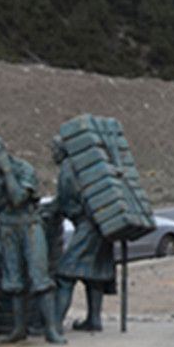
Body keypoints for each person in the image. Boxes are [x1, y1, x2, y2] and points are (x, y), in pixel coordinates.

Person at [0, 133, 65, 344]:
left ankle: (51, 329)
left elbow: (18, 198)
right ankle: (19, 329)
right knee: (13, 280)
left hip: (30, 226)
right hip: (7, 229)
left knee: (39, 277)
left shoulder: (22, 169)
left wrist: (7, 170)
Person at [51, 136, 117, 332]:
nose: (52, 154)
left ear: (62, 149)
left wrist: (53, 209)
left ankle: (55, 324)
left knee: (65, 274)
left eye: (54, 149)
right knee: (93, 274)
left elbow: (66, 198)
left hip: (87, 226)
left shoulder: (68, 167)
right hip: (101, 224)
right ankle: (94, 320)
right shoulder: (83, 165)